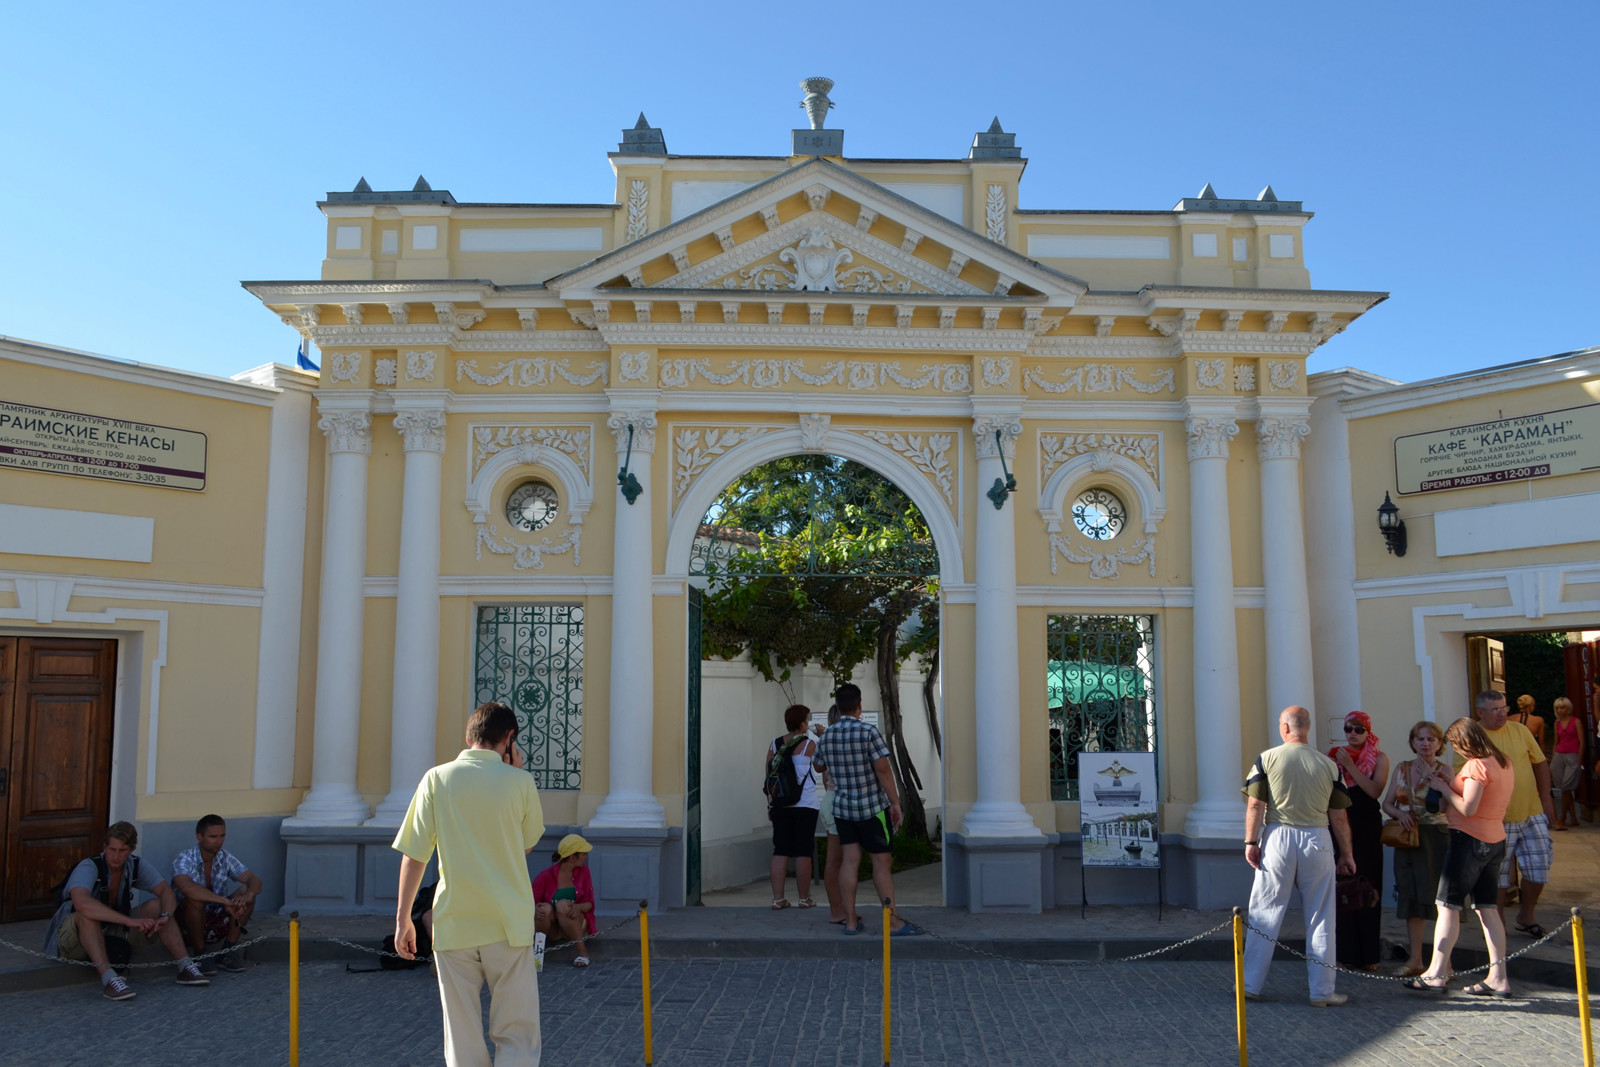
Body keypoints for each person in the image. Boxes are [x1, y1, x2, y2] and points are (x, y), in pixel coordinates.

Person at [393, 701, 546, 1067]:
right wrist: (517, 773)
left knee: (460, 1035)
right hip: (508, 922)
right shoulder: (521, 782)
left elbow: (415, 855)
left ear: (468, 736)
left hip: (455, 919)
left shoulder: (436, 778)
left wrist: (403, 919)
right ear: (509, 739)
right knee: (517, 1032)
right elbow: (525, 845)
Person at [1241, 705, 1357, 1007]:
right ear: (1307, 728)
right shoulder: (1328, 765)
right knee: (1321, 916)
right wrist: (1347, 853)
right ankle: (1322, 991)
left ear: (1284, 727)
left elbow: (1255, 806)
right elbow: (1339, 817)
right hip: (1317, 838)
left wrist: (1251, 841)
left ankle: (1250, 984)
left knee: (1264, 913)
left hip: (1278, 835)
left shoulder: (1267, 758)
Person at [1402, 717, 1516, 997]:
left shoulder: (1477, 764)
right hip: (1494, 840)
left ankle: (1437, 973)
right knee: (1487, 909)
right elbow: (1477, 796)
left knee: (1447, 906)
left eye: (1455, 744)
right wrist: (1449, 781)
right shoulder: (1502, 761)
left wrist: (1443, 789)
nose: (1455, 750)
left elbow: (1468, 808)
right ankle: (1498, 978)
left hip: (1469, 841)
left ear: (1465, 741)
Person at [42, 821, 210, 1000]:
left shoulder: (135, 865)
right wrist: (129, 921)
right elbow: (82, 903)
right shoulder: (89, 866)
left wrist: (165, 915)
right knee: (87, 914)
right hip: (73, 937)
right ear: (104, 846)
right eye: (112, 849)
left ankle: (185, 967)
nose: (116, 856)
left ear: (131, 849)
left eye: (122, 851)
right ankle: (109, 980)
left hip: (113, 930)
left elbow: (165, 890)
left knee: (157, 905)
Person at [813, 683, 921, 937]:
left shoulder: (827, 735)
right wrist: (895, 802)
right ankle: (892, 922)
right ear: (859, 706)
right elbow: (883, 769)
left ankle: (850, 921)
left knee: (849, 862)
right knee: (881, 863)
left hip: (843, 808)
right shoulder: (868, 731)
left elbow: (818, 767)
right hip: (872, 808)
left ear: (838, 707)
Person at [1476, 689, 1558, 938]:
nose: (1502, 714)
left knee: (1539, 867)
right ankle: (1497, 924)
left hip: (1531, 813)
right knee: (1497, 876)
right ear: (1480, 712)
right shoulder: (1473, 737)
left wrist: (1546, 799)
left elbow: (1540, 762)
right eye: (1495, 710)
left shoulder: (1520, 730)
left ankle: (1526, 915)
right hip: (1495, 819)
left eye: (1504, 708)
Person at [1380, 721, 1452, 976]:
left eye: (1431, 739)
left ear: (1440, 744)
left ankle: (1445, 963)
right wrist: (1400, 814)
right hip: (1408, 837)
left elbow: (1447, 808)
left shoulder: (1446, 770)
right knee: (1411, 895)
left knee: (1441, 898)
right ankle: (1416, 960)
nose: (1425, 744)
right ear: (1412, 743)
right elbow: (1386, 804)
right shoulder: (1402, 768)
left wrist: (1436, 783)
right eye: (1420, 739)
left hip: (1437, 837)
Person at [1328, 711, 1388, 970]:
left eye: (1358, 729)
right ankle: (1345, 953)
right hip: (1342, 821)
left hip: (1367, 823)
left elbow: (1375, 791)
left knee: (1369, 886)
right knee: (1344, 885)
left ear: (1368, 731)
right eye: (1348, 728)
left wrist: (1351, 767)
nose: (1352, 733)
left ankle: (1369, 955)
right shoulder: (1334, 756)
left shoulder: (1379, 757)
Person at [171, 813, 263, 975]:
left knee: (246, 892)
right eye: (213, 837)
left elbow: (253, 878)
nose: (219, 841)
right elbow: (186, 887)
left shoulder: (224, 857)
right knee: (195, 900)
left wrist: (246, 897)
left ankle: (228, 950)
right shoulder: (184, 858)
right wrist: (224, 902)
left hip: (217, 915)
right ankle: (200, 955)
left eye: (222, 836)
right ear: (199, 837)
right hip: (187, 921)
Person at [765, 703, 820, 910]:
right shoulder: (810, 743)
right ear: (803, 723)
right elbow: (820, 765)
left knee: (780, 849)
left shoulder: (775, 743)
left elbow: (768, 775)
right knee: (803, 851)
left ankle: (778, 899)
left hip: (780, 804)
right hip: (805, 803)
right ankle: (804, 899)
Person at [532, 834, 596, 967]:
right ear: (573, 857)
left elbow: (590, 904)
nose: (586, 857)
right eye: (583, 854)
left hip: (575, 924)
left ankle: (583, 953)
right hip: (552, 929)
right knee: (544, 909)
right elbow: (529, 902)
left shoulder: (584, 872)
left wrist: (578, 907)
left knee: (563, 905)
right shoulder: (545, 876)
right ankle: (537, 955)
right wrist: (536, 909)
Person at [815, 704, 849, 926]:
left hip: (830, 798)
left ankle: (842, 909)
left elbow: (820, 770)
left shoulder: (826, 741)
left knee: (837, 860)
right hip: (840, 799)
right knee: (841, 860)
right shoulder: (844, 740)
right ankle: (839, 911)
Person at [1549, 697, 1584, 829]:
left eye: (1562, 707)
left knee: (1566, 787)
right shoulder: (1557, 723)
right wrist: (1553, 757)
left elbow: (1582, 742)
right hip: (1559, 754)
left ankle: (1563, 817)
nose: (1559, 710)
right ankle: (1573, 818)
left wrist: (1579, 761)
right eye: (1557, 707)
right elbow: (1555, 741)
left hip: (1572, 755)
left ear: (1568, 708)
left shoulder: (1576, 722)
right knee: (1564, 788)